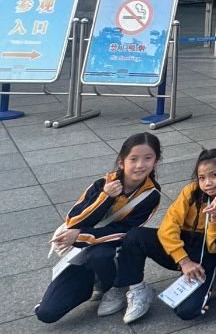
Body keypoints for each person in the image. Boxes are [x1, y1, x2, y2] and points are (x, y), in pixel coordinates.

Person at [36, 133, 163, 323]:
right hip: (80, 254)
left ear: (155, 161)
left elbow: (124, 232)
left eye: (148, 158)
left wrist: (81, 236)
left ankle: (114, 286)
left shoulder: (151, 195)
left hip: (111, 248)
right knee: (46, 313)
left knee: (100, 254)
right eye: (133, 159)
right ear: (121, 162)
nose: (140, 165)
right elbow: (73, 220)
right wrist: (105, 197)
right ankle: (96, 282)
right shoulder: (102, 183)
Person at [111, 148, 216, 323]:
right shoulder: (191, 191)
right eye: (202, 177)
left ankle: (213, 278)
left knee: (187, 311)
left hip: (206, 251)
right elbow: (167, 227)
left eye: (214, 175)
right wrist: (183, 261)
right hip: (183, 245)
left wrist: (215, 219)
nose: (208, 183)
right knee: (135, 236)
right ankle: (138, 289)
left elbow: (215, 247)